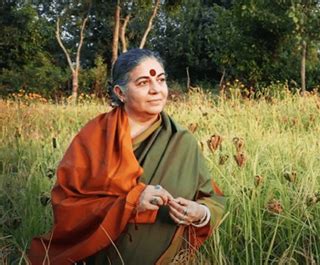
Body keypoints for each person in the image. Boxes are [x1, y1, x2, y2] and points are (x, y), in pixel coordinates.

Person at [28, 49, 225, 264]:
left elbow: (212, 198)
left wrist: (201, 213)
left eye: (161, 80)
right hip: (95, 257)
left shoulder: (182, 141)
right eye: (143, 83)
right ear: (120, 93)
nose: (156, 90)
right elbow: (66, 205)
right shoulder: (94, 137)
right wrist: (130, 204)